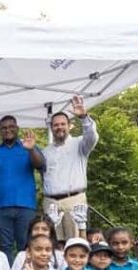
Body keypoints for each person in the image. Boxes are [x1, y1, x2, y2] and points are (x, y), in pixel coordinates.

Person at [0, 116, 46, 264]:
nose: (7, 130)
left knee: (26, 245)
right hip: (1, 207)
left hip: (26, 206)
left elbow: (40, 164)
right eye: (3, 128)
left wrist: (31, 150)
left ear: (17, 128)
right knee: (5, 247)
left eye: (11, 127)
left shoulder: (28, 148)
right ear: (0, 131)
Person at [42, 96, 99, 240]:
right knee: (53, 244)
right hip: (51, 203)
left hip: (74, 200)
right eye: (56, 125)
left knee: (76, 243)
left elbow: (92, 137)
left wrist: (84, 117)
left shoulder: (80, 144)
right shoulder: (45, 151)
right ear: (51, 128)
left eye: (62, 124)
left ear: (69, 126)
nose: (59, 127)